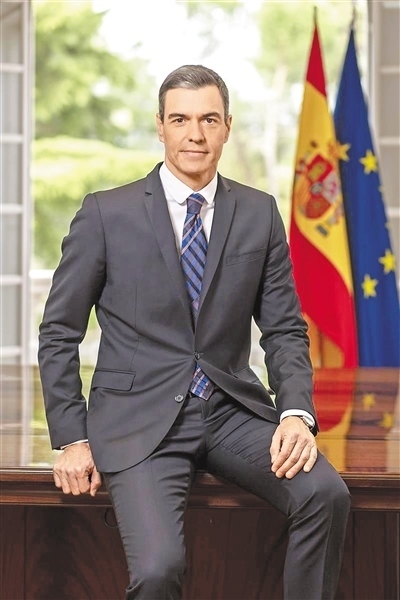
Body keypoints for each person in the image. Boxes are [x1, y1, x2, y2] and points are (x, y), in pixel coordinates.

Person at [38, 64, 350, 600]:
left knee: (326, 494)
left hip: (230, 413)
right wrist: (71, 438)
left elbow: (283, 329)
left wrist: (296, 413)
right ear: (159, 126)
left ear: (227, 126)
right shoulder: (105, 214)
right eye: (180, 119)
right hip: (137, 420)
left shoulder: (258, 213)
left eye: (209, 119)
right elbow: (59, 332)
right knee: (159, 568)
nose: (195, 134)